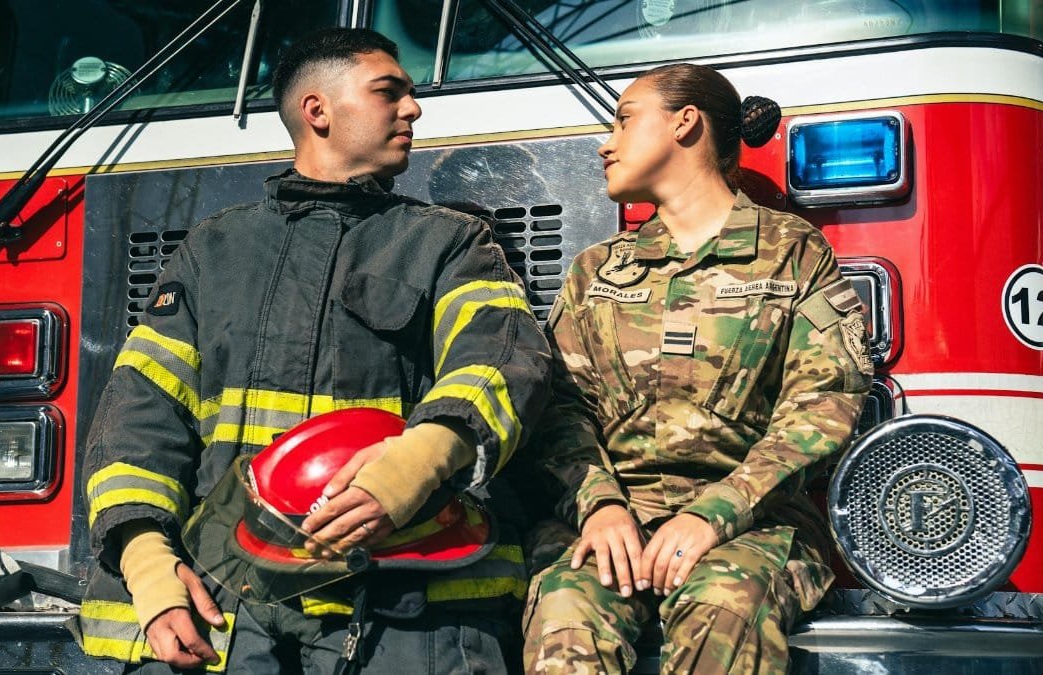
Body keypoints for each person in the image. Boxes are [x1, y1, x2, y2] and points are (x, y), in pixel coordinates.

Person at [76, 27, 550, 674]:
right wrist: (148, 565)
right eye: (390, 92)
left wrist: (414, 466)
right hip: (225, 613)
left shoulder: (451, 244)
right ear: (317, 111)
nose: (413, 109)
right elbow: (139, 419)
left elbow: (500, 361)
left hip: (405, 604)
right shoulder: (213, 252)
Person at [522, 63, 873, 674]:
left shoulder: (792, 251)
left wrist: (716, 513)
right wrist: (600, 506)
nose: (606, 142)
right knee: (564, 612)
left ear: (686, 123)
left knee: (726, 607)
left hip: (751, 525)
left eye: (625, 120)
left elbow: (824, 403)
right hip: (613, 522)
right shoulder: (596, 271)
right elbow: (560, 408)